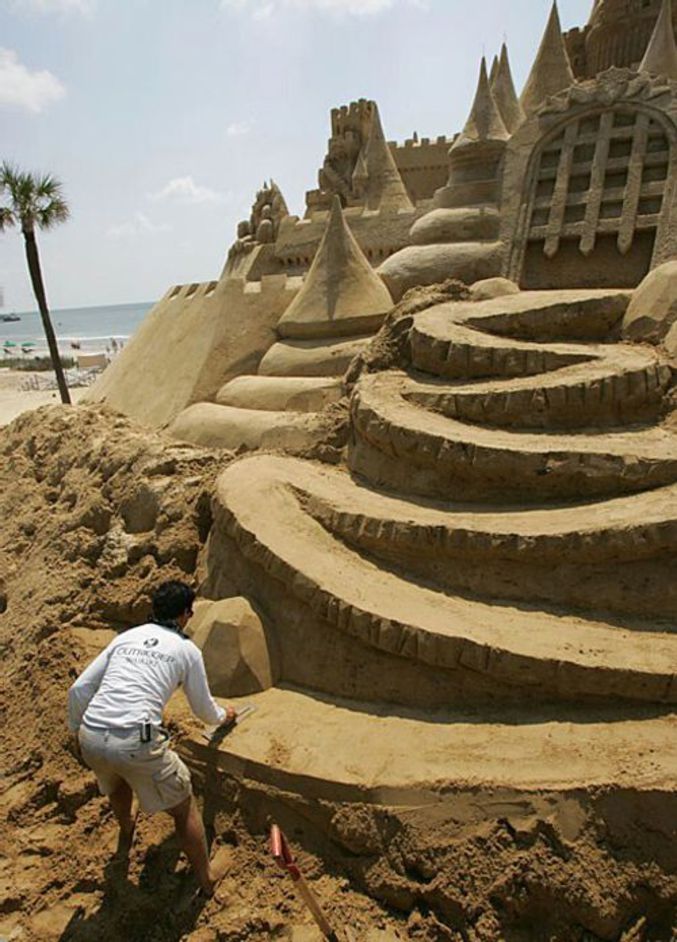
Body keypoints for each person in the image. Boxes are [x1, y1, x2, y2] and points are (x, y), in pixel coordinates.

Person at [68, 580, 235, 895]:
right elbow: (203, 709)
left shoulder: (125, 638)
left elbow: (79, 690)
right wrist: (224, 716)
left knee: (116, 782)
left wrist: (77, 728)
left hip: (91, 733)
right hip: (135, 740)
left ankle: (127, 829)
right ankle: (208, 878)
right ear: (186, 614)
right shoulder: (187, 650)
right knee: (183, 805)